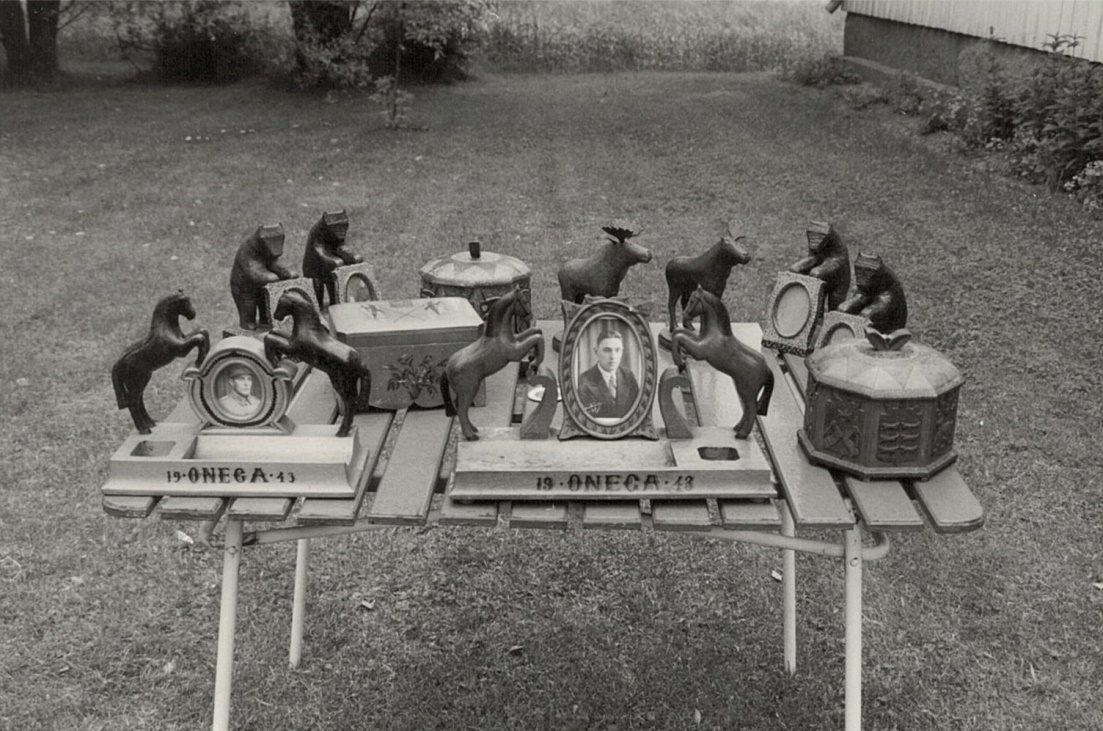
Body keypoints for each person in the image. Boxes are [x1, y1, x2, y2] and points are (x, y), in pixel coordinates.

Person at [576, 326, 639, 419]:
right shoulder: (584, 381)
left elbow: (637, 411)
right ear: (596, 351)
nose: (613, 356)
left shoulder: (628, 375)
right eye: (607, 350)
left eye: (618, 350)